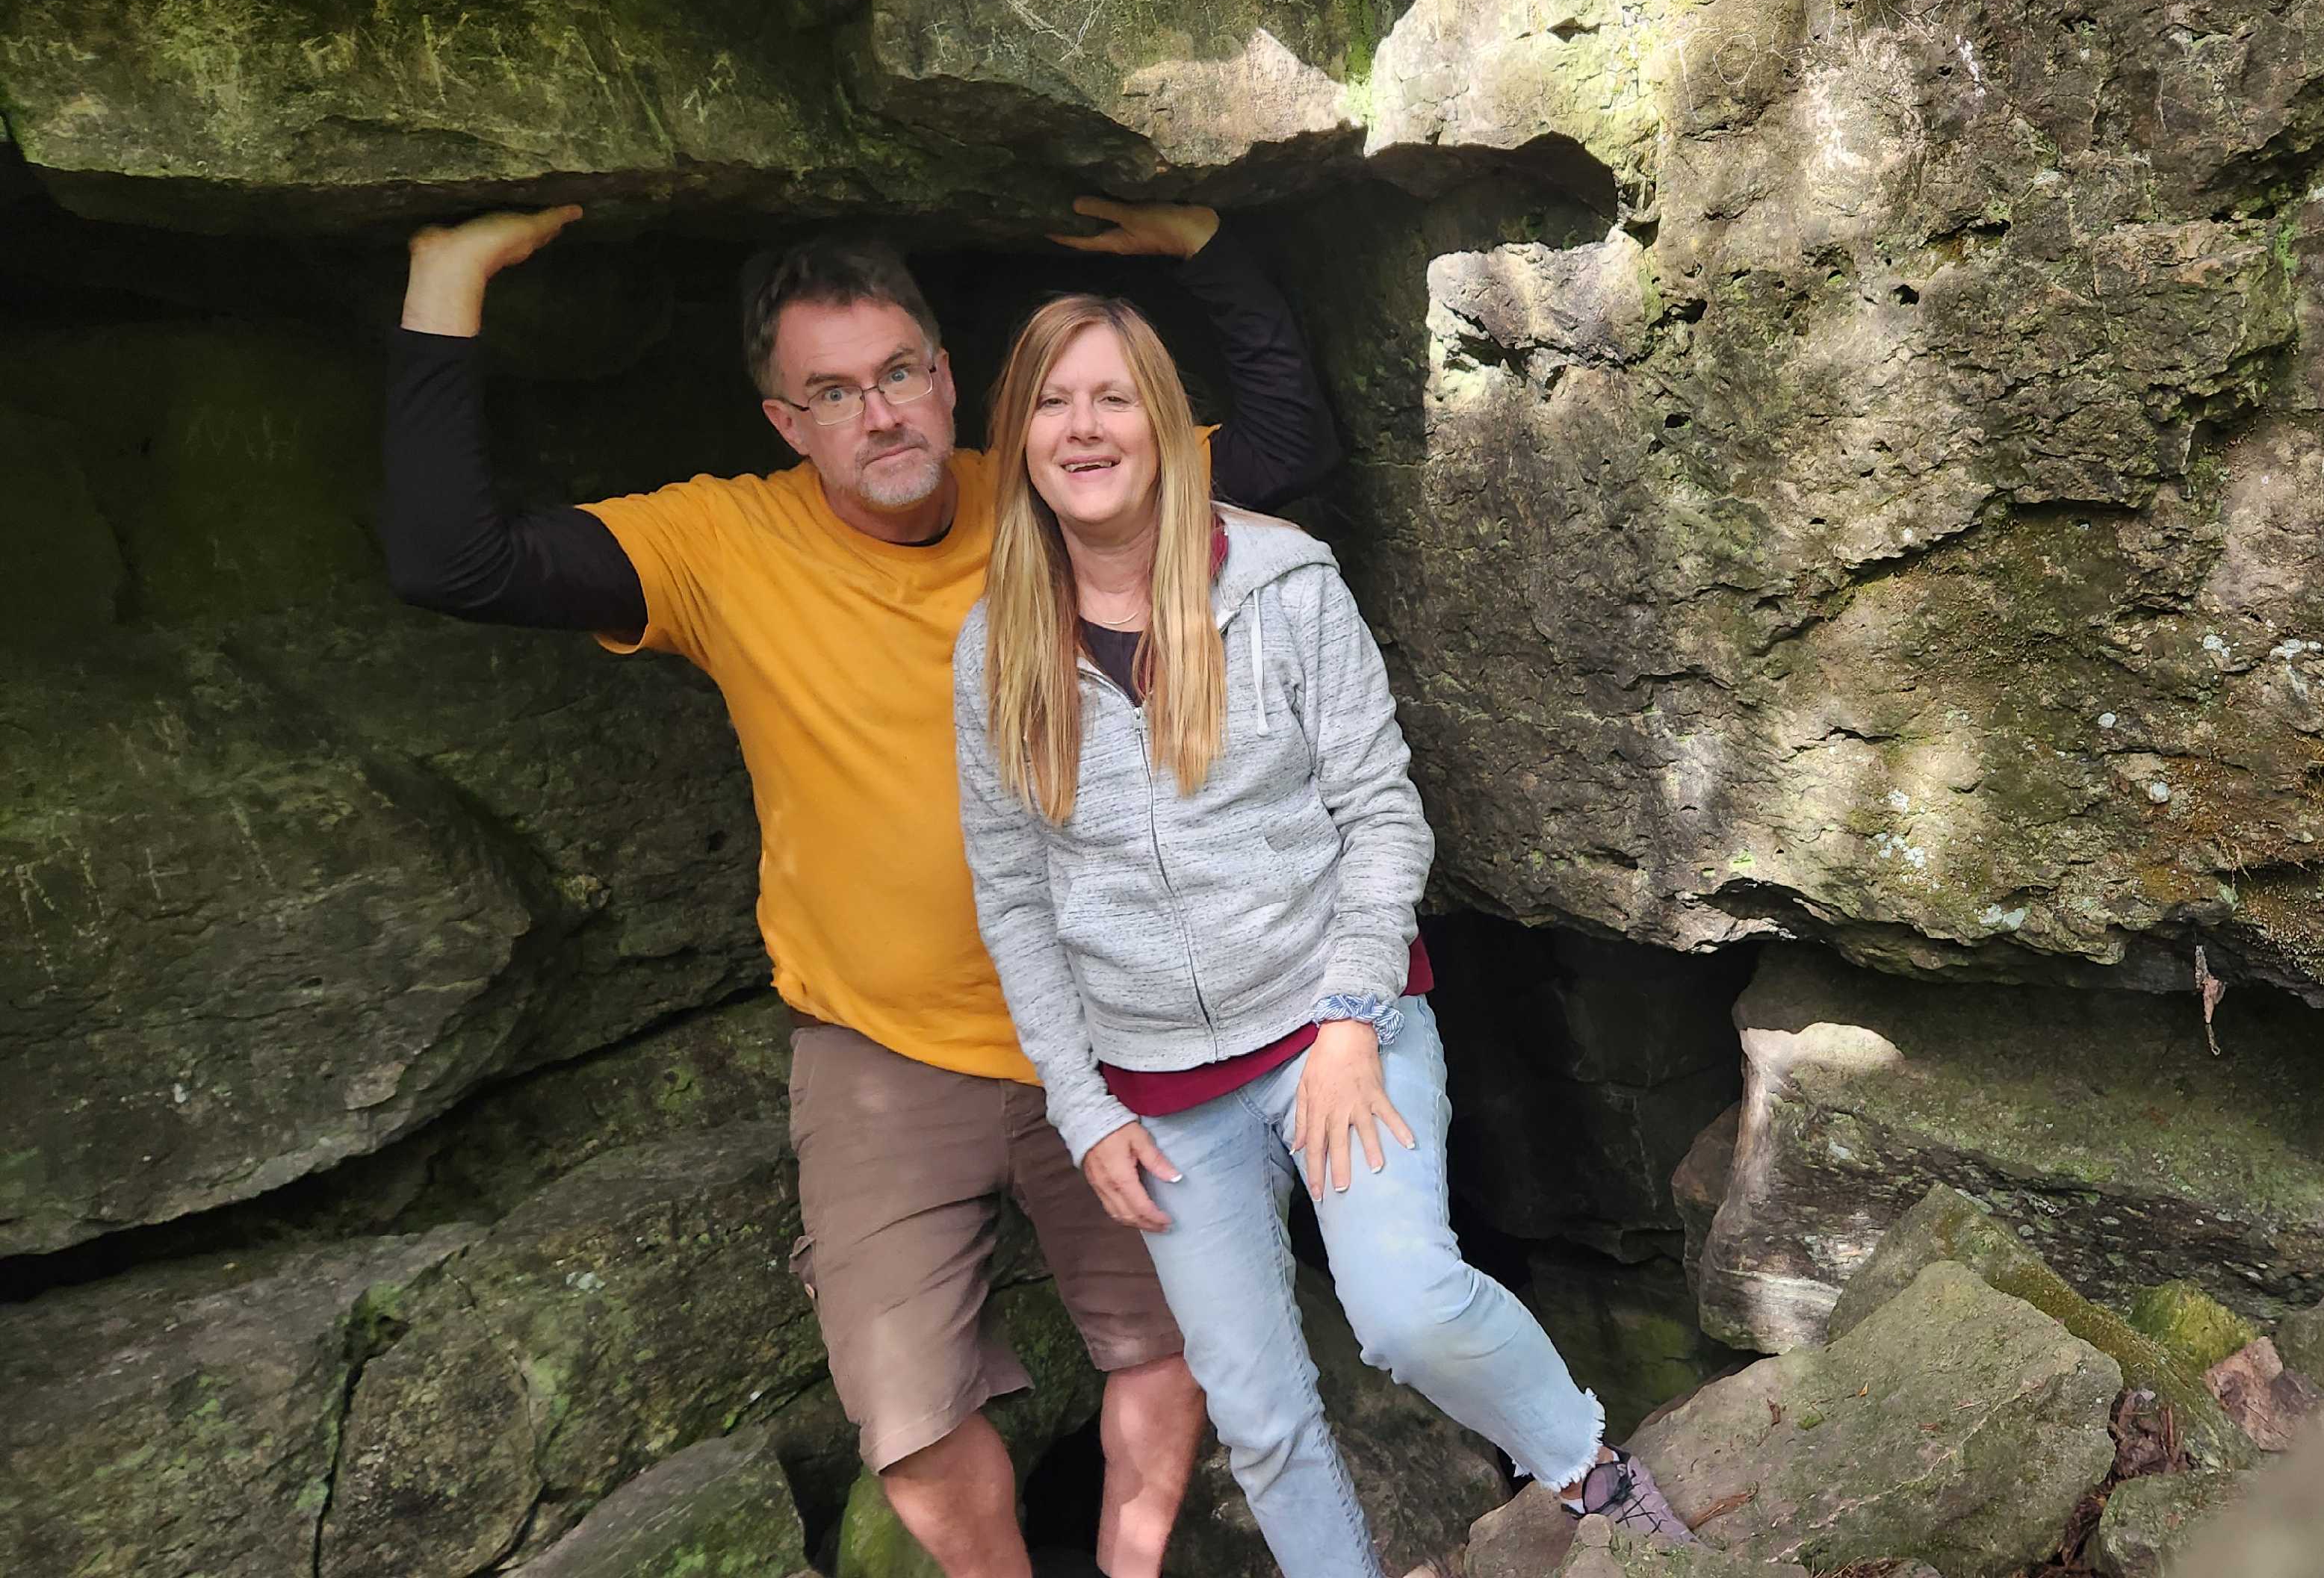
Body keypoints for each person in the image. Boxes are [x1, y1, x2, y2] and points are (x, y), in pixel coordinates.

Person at [383, 198, 1339, 1578]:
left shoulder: (1052, 490)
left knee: (1180, 1340)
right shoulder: (722, 543)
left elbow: (1288, 449)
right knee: (908, 1423)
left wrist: (1208, 248)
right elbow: (449, 562)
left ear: (947, 376)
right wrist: (448, 274)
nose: (879, 415)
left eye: (898, 373)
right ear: (786, 422)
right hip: (884, 1053)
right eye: (832, 393)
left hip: (1115, 1022)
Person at [950, 293, 1696, 1578]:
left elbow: (1383, 814)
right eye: (1053, 404)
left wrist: (1351, 1019)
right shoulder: (995, 649)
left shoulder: (1282, 581)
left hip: (1329, 1027)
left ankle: (1591, 1473)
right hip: (1157, 1095)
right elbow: (1014, 899)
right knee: (1259, 1415)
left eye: (1113, 398)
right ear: (1017, 437)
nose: (1084, 428)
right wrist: (1080, 1108)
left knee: (1405, 1311)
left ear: (1166, 423)